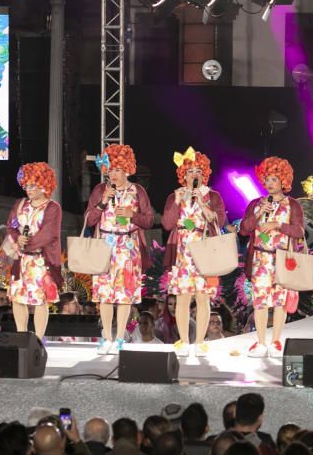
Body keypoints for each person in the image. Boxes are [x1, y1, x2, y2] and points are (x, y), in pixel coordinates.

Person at [84, 144, 155, 355]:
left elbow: (149, 220)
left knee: (124, 296)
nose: (113, 174)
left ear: (126, 169)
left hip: (128, 247)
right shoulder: (99, 190)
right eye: (110, 169)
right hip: (104, 245)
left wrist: (132, 214)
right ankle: (106, 337)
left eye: (117, 169)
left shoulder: (138, 191)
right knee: (105, 295)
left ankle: (119, 338)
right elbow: (89, 219)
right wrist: (102, 203)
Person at [161, 147, 227, 358]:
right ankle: (184, 341)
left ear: (204, 173)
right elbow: (167, 223)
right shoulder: (176, 195)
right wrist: (178, 203)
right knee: (182, 297)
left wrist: (202, 202)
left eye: (198, 170)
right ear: (184, 174)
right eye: (190, 171)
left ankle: (200, 342)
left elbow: (219, 220)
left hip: (204, 250)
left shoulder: (212, 195)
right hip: (182, 252)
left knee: (202, 297)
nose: (194, 174)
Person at [240, 157, 305, 359]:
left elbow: (299, 231)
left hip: (282, 259)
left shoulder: (292, 204)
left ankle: (276, 342)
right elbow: (244, 229)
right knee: (259, 302)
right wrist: (259, 213)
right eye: (267, 179)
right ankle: (260, 342)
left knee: (279, 303)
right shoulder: (256, 204)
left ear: (283, 181)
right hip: (261, 259)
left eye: (274, 179)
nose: (270, 183)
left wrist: (278, 226)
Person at [5, 162, 63, 341]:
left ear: (44, 184)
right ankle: (21, 336)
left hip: (40, 261)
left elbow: (49, 234)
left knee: (40, 299)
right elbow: (11, 226)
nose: (28, 189)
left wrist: (25, 244)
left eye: (33, 185)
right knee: (17, 298)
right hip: (21, 261)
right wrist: (17, 239)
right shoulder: (20, 204)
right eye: (26, 185)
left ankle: (38, 338)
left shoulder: (53, 207)